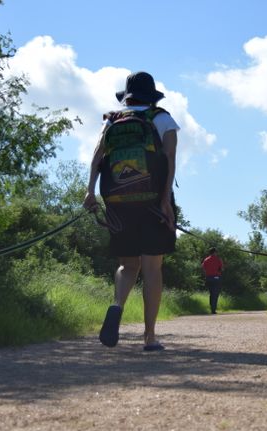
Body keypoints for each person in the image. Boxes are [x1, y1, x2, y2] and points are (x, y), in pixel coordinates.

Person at [83, 71, 179, 351]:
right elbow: (170, 160)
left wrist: (90, 191)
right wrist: (164, 201)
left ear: (127, 96)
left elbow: (97, 157)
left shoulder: (112, 121)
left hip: (118, 203)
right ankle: (149, 336)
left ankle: (116, 306)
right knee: (152, 268)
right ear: (151, 95)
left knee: (128, 265)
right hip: (152, 202)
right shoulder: (162, 119)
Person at [201, 247, 223, 314]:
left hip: (208, 278)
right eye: (216, 252)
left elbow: (203, 268)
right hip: (216, 278)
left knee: (211, 294)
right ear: (214, 252)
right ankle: (213, 309)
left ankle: (212, 308)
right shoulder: (218, 259)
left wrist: (207, 274)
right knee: (215, 294)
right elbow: (221, 268)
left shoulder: (206, 260)